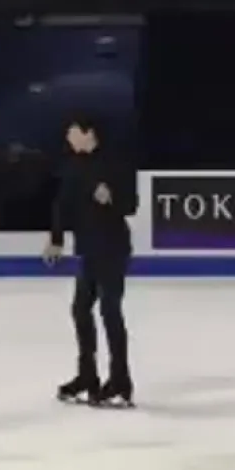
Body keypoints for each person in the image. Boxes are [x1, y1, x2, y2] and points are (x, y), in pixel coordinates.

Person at [43, 115, 138, 407]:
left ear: (89, 133)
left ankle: (121, 382)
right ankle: (88, 376)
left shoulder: (114, 161)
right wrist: (57, 239)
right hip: (89, 249)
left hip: (113, 247)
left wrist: (111, 198)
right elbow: (62, 204)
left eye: (72, 133)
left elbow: (131, 204)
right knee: (81, 309)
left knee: (110, 311)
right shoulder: (74, 166)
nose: (69, 139)